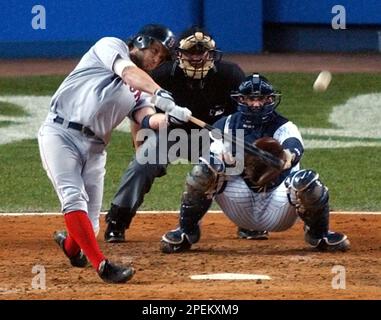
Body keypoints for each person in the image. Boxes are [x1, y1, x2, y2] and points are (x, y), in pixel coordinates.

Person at [38, 24, 192, 283]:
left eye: (163, 57)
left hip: (96, 148)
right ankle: (103, 267)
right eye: (155, 51)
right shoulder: (110, 46)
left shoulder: (143, 88)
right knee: (73, 197)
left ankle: (70, 247)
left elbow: (144, 117)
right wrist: (159, 92)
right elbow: (128, 73)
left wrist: (171, 118)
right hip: (60, 134)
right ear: (141, 42)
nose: (157, 59)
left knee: (91, 226)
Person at [160, 73, 350, 253]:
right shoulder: (224, 126)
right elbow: (213, 156)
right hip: (238, 200)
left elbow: (293, 150)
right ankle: (187, 232)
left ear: (271, 100)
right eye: (250, 99)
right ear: (240, 100)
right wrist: (233, 159)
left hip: (278, 204)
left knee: (307, 181)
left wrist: (282, 159)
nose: (256, 104)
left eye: (262, 99)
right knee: (204, 171)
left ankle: (320, 235)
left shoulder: (284, 126)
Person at [104, 26, 249, 243]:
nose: (197, 58)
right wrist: (141, 146)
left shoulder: (231, 75)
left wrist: (236, 147)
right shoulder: (162, 76)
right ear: (179, 54)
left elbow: (243, 117)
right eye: (191, 52)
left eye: (202, 52)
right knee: (142, 163)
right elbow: (140, 111)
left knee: (243, 160)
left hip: (215, 137)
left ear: (212, 53)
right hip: (172, 134)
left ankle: (249, 223)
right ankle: (117, 221)